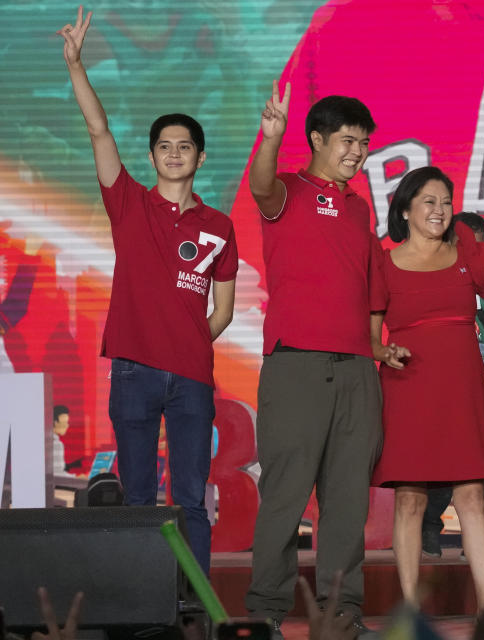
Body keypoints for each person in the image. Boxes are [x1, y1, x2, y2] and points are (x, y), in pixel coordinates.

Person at [58, 7, 238, 574]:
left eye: (185, 145)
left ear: (200, 156)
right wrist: (76, 65)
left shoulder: (220, 226)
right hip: (134, 372)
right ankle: (136, 608)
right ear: (153, 154)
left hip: (191, 379)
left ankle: (196, 610)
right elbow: (98, 129)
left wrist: (184, 340)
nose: (174, 152)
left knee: (190, 501)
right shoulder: (129, 203)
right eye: (165, 145)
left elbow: (224, 310)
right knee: (137, 501)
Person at [243, 83, 385, 640]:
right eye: (347, 140)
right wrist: (270, 140)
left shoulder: (359, 207)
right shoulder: (288, 191)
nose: (357, 151)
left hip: (355, 371)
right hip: (296, 366)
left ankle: (342, 614)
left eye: (365, 143)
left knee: (348, 500)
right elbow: (260, 184)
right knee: (285, 494)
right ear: (317, 139)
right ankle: (265, 614)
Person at [370, 167, 484, 638]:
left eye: (446, 201)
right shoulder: (383, 261)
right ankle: (411, 614)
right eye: (428, 200)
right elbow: (371, 335)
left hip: (461, 385)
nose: (438, 209)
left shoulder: (467, 253)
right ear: (405, 210)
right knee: (410, 500)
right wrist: (384, 351)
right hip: (409, 383)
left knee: (472, 494)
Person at [421, 212, 484, 564]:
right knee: (444, 458)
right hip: (445, 380)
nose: (473, 251)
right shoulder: (435, 267)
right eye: (466, 245)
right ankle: (429, 527)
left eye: (480, 245)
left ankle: (480, 539)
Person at [52, 405, 70, 475]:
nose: (67, 425)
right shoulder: (56, 444)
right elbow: (58, 475)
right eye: (65, 422)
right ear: (55, 423)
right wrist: (77, 477)